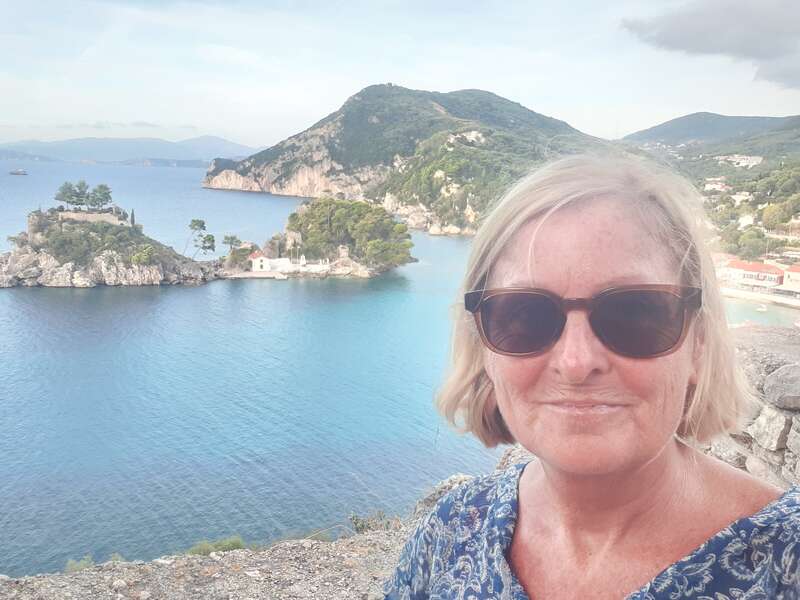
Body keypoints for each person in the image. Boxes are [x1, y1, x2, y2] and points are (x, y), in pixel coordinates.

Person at [383, 155, 800, 599]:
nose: (576, 362)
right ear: (484, 347)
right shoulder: (451, 530)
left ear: (698, 342)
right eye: (525, 315)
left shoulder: (786, 560)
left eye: (633, 314)